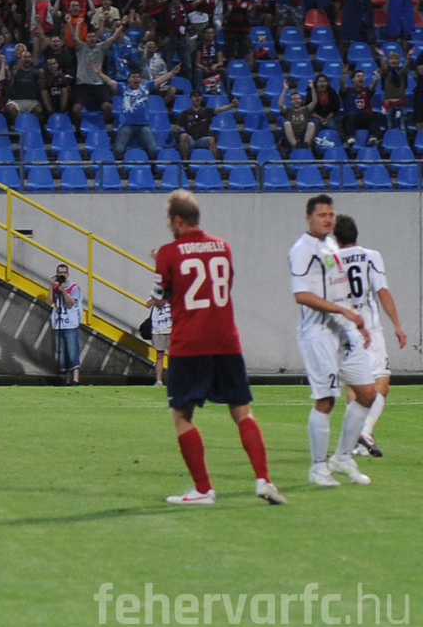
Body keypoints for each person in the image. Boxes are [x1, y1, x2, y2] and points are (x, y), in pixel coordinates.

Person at [150, 190, 283, 506]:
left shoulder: (168, 253)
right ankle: (263, 479)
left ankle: (203, 489)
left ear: (178, 221)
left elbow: (160, 296)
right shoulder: (223, 247)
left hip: (190, 343)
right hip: (226, 341)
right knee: (242, 411)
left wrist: (163, 276)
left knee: (182, 414)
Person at [288, 194, 377, 487]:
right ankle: (317, 468)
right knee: (326, 399)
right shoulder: (301, 250)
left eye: (331, 214)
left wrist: (355, 319)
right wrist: (342, 311)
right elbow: (301, 295)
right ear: (309, 218)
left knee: (367, 393)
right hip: (318, 333)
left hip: (344, 329)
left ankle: (341, 458)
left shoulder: (331, 245)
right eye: (322, 215)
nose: (328, 219)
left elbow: (339, 288)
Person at [328, 215, 405, 460]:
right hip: (369, 327)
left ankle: (355, 442)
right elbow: (382, 291)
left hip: (344, 328)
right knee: (381, 381)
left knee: (355, 385)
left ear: (336, 238)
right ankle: (366, 431)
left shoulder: (331, 260)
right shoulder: (371, 256)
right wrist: (397, 324)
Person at [48, 263, 84, 385]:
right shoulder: (55, 287)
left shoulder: (74, 287)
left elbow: (70, 303)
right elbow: (49, 302)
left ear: (68, 274)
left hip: (71, 324)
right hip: (59, 323)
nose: (62, 275)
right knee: (62, 352)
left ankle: (76, 379)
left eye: (64, 272)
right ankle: (68, 380)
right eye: (60, 273)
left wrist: (63, 291)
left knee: (72, 351)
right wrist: (51, 286)